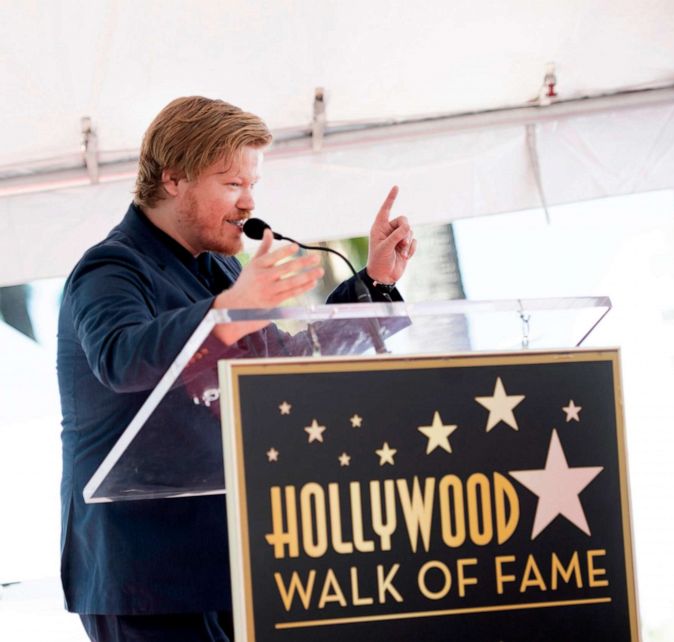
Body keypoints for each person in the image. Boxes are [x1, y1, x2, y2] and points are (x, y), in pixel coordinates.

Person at [56, 96, 416, 641]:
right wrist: (225, 313)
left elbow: (283, 363)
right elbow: (120, 358)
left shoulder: (222, 266)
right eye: (231, 185)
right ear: (173, 179)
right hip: (145, 574)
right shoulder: (109, 268)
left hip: (231, 560)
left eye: (253, 186)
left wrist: (375, 283)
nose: (249, 202)